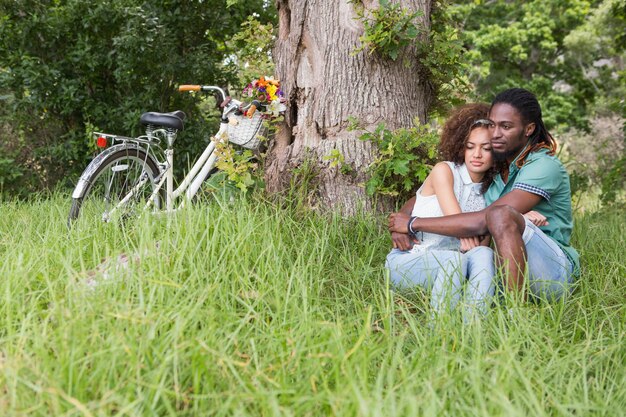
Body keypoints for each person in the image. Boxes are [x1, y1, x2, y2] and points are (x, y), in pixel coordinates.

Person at [389, 88, 579, 301]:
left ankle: (516, 316)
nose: (496, 133)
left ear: (529, 129)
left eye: (505, 126)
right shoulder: (497, 173)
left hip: (553, 272)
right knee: (484, 248)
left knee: (498, 217)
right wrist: (399, 221)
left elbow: (489, 218)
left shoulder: (543, 165)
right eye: (492, 125)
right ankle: (479, 316)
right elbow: (422, 197)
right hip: (509, 269)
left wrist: (413, 223)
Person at [386, 103, 498, 320]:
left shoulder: (491, 192)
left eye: (486, 148)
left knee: (485, 254)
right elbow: (457, 223)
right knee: (454, 260)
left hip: (456, 269)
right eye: (470, 146)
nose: (477, 154)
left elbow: (479, 247)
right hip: (411, 261)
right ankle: (440, 332)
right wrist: (471, 232)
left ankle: (474, 325)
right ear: (461, 146)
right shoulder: (444, 171)